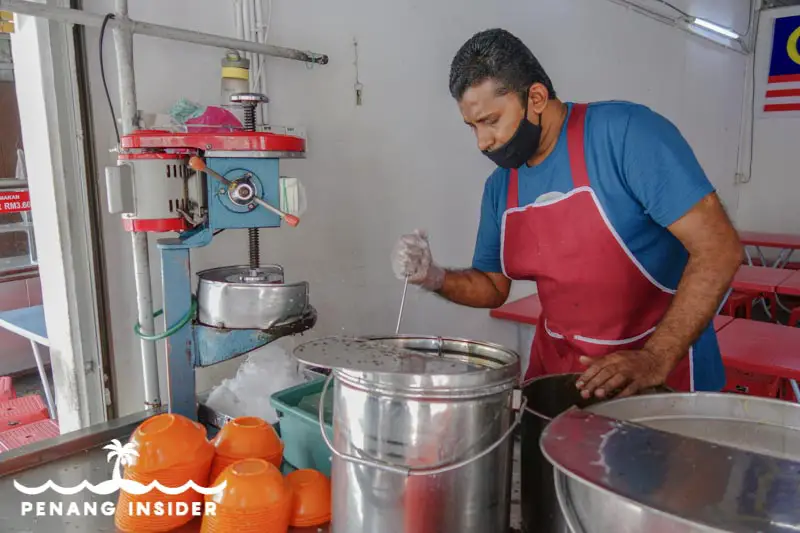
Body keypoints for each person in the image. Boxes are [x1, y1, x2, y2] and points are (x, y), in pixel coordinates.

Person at [391, 28, 742, 398]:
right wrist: (434, 276)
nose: (482, 142)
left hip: (659, 377)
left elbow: (719, 249)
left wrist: (655, 357)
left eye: (491, 121)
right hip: (560, 377)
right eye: (472, 126)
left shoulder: (625, 136)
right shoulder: (501, 186)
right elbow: (493, 287)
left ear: (537, 97)